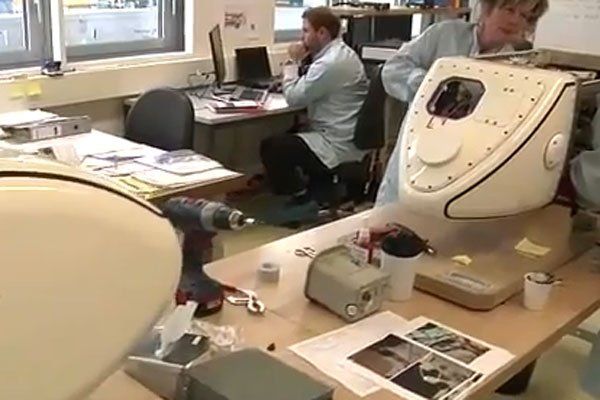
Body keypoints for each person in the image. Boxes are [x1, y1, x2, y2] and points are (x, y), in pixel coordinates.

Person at [375, 0, 549, 206]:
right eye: (509, 10)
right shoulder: (445, 34)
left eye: (525, 16)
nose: (515, 21)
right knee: (396, 211)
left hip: (469, 161)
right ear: (487, 9)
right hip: (419, 147)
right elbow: (393, 69)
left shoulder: (520, 65)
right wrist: (433, 84)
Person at [259, 7, 368, 221]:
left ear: (322, 33)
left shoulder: (330, 63)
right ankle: (317, 192)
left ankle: (301, 200)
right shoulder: (340, 54)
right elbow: (309, 86)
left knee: (273, 147)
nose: (302, 37)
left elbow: (294, 98)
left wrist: (292, 62)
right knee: (291, 133)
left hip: (335, 142)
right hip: (342, 133)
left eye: (306, 31)